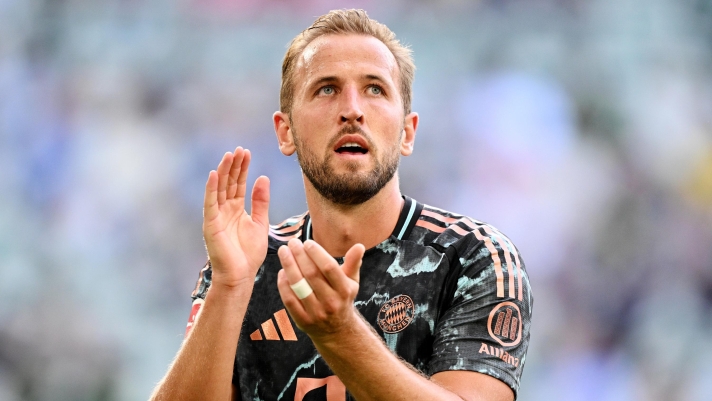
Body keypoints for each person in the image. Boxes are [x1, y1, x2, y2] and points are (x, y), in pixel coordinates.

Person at [150, 9, 532, 401]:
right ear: (286, 132)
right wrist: (229, 287)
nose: (352, 109)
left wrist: (339, 332)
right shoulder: (247, 266)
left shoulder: (473, 258)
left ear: (407, 132)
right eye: (327, 89)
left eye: (375, 89)